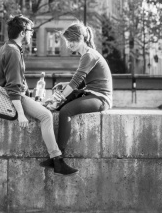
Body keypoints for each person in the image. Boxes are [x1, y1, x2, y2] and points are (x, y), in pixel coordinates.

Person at [0, 14, 78, 176]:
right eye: (31, 31)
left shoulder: (6, 47)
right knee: (46, 116)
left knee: (44, 107)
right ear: (23, 33)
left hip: (7, 94)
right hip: (10, 97)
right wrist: (22, 114)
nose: (32, 34)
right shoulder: (14, 53)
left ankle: (55, 159)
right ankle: (57, 159)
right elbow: (13, 88)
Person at [40, 21, 112, 168]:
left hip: (101, 98)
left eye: (73, 40)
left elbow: (76, 81)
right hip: (91, 93)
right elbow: (79, 81)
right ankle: (55, 157)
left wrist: (59, 98)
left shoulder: (89, 55)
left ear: (82, 38)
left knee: (66, 111)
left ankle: (58, 158)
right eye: (68, 41)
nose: (69, 44)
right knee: (60, 108)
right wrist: (65, 85)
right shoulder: (87, 55)